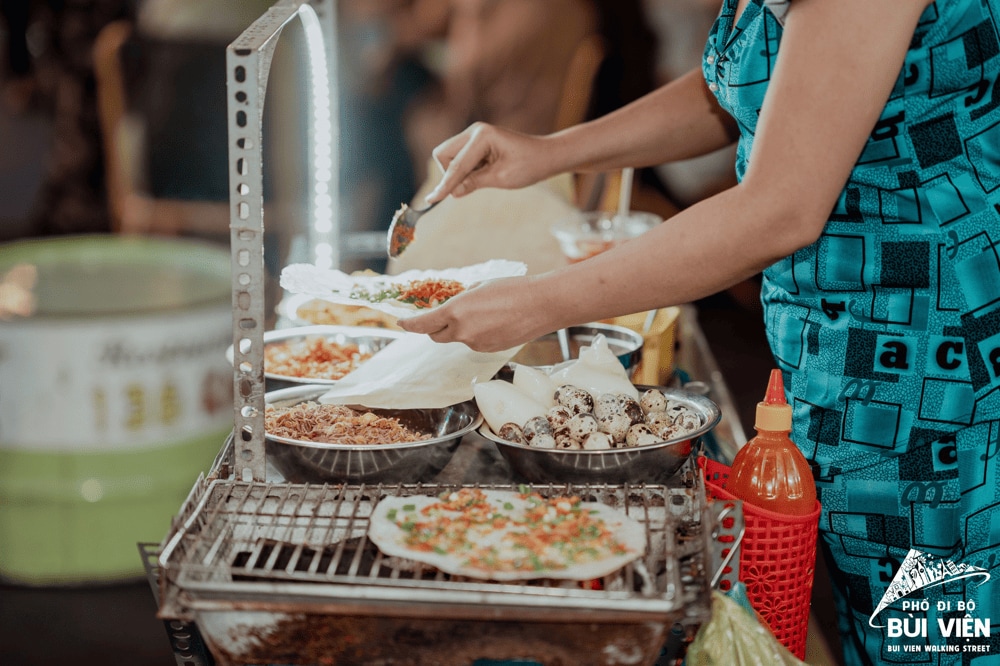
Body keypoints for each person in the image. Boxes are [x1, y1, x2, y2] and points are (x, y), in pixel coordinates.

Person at [398, 1, 1000, 664]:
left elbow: (778, 211)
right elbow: (746, 86)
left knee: (931, 641)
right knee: (877, 621)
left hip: (933, 374)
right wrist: (548, 154)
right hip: (847, 357)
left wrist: (541, 304)